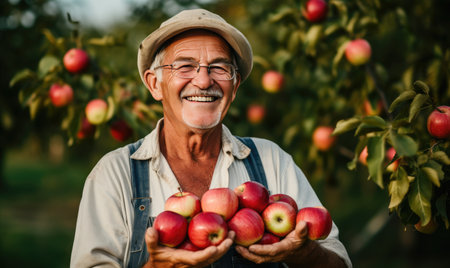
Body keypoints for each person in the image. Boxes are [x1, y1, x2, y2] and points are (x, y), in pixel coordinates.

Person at [70, 9, 352, 268]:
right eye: (185, 66)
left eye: (219, 67)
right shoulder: (116, 173)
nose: (204, 81)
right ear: (155, 84)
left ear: (235, 85)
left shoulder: (270, 160)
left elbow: (338, 262)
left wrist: (303, 253)